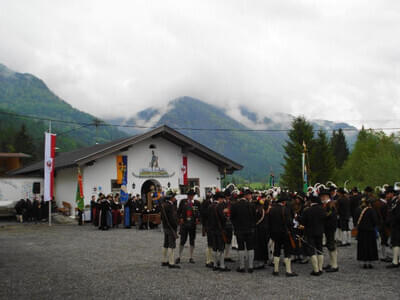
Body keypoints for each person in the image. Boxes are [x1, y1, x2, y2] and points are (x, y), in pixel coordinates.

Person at [268, 192, 298, 277]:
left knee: (276, 251)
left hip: (275, 233)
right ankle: (288, 271)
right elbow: (290, 223)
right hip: (285, 233)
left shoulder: (272, 209)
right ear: (284, 202)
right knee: (287, 251)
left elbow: (269, 223)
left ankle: (276, 270)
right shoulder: (286, 210)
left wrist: (271, 234)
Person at [231, 189, 257, 273]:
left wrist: (235, 226)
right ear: (246, 196)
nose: (250, 197)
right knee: (250, 247)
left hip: (239, 230)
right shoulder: (251, 205)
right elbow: (254, 217)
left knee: (241, 247)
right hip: (250, 230)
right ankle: (250, 266)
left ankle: (241, 266)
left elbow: (232, 218)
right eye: (250, 195)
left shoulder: (235, 205)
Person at [301, 195, 326, 276]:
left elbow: (303, 222)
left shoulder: (307, 210)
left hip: (310, 232)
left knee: (312, 250)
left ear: (311, 201)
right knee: (320, 249)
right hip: (320, 231)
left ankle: (316, 270)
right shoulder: (322, 209)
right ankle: (320, 268)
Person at [176, 190, 200, 264]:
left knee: (192, 241)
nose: (191, 196)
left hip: (192, 224)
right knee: (182, 240)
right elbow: (178, 212)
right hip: (184, 224)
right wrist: (180, 218)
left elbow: (199, 212)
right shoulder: (183, 202)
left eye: (192, 195)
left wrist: (198, 219)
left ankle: (191, 257)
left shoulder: (196, 203)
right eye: (189, 195)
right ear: (188, 195)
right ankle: (179, 256)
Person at [208, 192, 230, 271]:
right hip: (220, 230)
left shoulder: (210, 206)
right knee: (221, 248)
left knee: (214, 248)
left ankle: (214, 264)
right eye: (222, 198)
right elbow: (223, 218)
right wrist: (226, 215)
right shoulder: (220, 206)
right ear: (219, 198)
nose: (223, 200)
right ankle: (222, 265)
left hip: (212, 230)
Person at [355, 198, 379, 269]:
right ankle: (370, 262)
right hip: (370, 231)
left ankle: (364, 262)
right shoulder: (372, 211)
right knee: (370, 247)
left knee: (363, 247)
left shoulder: (359, 210)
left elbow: (355, 219)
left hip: (361, 231)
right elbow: (375, 221)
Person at [320, 188, 339, 272]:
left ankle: (335, 265)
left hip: (330, 228)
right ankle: (331, 263)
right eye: (321, 196)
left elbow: (330, 217)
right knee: (329, 245)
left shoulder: (331, 205)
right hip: (327, 228)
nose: (322, 198)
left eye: (323, 196)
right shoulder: (325, 205)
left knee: (331, 245)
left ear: (327, 196)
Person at [160, 191, 180, 269]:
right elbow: (173, 218)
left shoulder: (164, 205)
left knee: (166, 244)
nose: (175, 198)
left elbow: (162, 217)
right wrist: (176, 225)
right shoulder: (171, 206)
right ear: (171, 198)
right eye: (174, 197)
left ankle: (164, 260)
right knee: (171, 245)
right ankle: (171, 263)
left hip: (165, 227)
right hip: (171, 227)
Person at [254, 196, 269, 269]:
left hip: (259, 230)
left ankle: (260, 261)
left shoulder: (258, 211)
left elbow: (255, 221)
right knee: (264, 246)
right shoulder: (263, 211)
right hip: (264, 230)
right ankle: (264, 260)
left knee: (259, 247)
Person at [200, 191, 213, 268]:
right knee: (210, 243)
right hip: (209, 224)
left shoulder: (204, 203)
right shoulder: (207, 204)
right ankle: (208, 260)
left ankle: (210, 260)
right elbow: (205, 214)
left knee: (210, 243)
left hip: (207, 224)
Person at [387, 190, 400, 269]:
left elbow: (397, 216)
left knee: (396, 244)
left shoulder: (398, 205)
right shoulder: (396, 203)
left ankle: (395, 261)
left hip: (397, 226)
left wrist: (391, 221)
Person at [223, 189, 235, 263]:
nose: (228, 198)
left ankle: (227, 256)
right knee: (223, 240)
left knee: (229, 240)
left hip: (230, 223)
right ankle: (222, 256)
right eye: (227, 196)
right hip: (223, 224)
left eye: (228, 196)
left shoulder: (231, 203)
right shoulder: (222, 203)